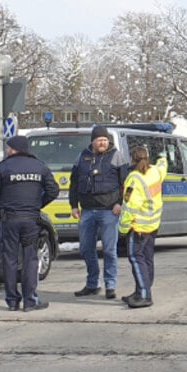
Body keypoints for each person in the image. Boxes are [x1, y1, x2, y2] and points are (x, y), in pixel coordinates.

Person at [0, 135, 59, 312]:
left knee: (9, 260)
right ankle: (30, 301)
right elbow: (53, 190)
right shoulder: (39, 166)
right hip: (31, 219)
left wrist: (5, 196)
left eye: (9, 147)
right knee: (30, 259)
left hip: (9, 219)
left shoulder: (4, 167)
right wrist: (38, 204)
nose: (7, 150)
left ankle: (12, 301)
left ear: (13, 149)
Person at [68, 124, 128, 299]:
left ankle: (110, 285)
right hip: (87, 211)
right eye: (99, 140)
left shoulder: (117, 156)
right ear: (92, 141)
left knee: (109, 250)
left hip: (109, 210)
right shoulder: (82, 157)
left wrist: (120, 203)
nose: (102, 143)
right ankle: (92, 284)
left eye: (104, 140)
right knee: (86, 249)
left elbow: (125, 183)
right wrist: (74, 205)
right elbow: (74, 183)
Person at [118, 146, 167, 309]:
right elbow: (163, 166)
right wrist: (162, 156)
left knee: (136, 259)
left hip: (138, 227)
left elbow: (129, 207)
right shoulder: (154, 171)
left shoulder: (134, 178)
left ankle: (145, 295)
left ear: (132, 159)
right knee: (147, 259)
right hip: (152, 225)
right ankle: (141, 290)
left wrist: (123, 228)